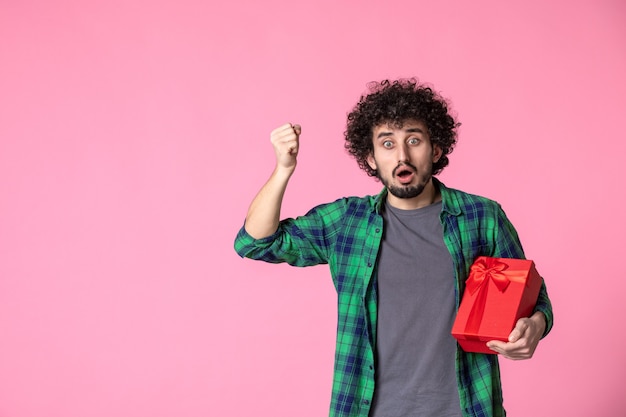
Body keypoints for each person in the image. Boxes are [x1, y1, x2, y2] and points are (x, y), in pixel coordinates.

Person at [234, 79, 553, 417]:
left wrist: (535, 325)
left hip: (467, 408)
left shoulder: (480, 216)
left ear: (436, 150)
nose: (402, 155)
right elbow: (255, 242)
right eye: (387, 143)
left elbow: (534, 299)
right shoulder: (348, 221)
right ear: (371, 158)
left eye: (413, 140)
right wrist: (284, 169)